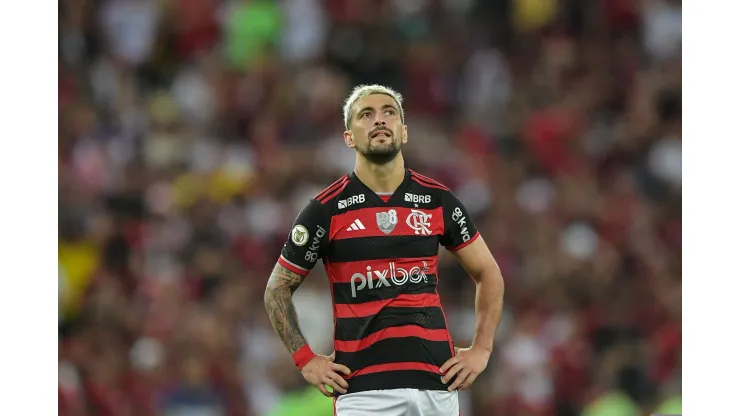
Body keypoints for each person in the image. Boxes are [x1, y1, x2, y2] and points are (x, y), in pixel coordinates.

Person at [264, 84, 505, 415]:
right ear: (349, 137)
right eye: (366, 115)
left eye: (389, 113)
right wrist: (305, 360)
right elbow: (277, 288)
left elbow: (488, 273)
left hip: (436, 384)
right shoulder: (326, 209)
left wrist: (482, 349)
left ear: (404, 132)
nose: (379, 121)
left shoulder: (437, 200)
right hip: (364, 392)